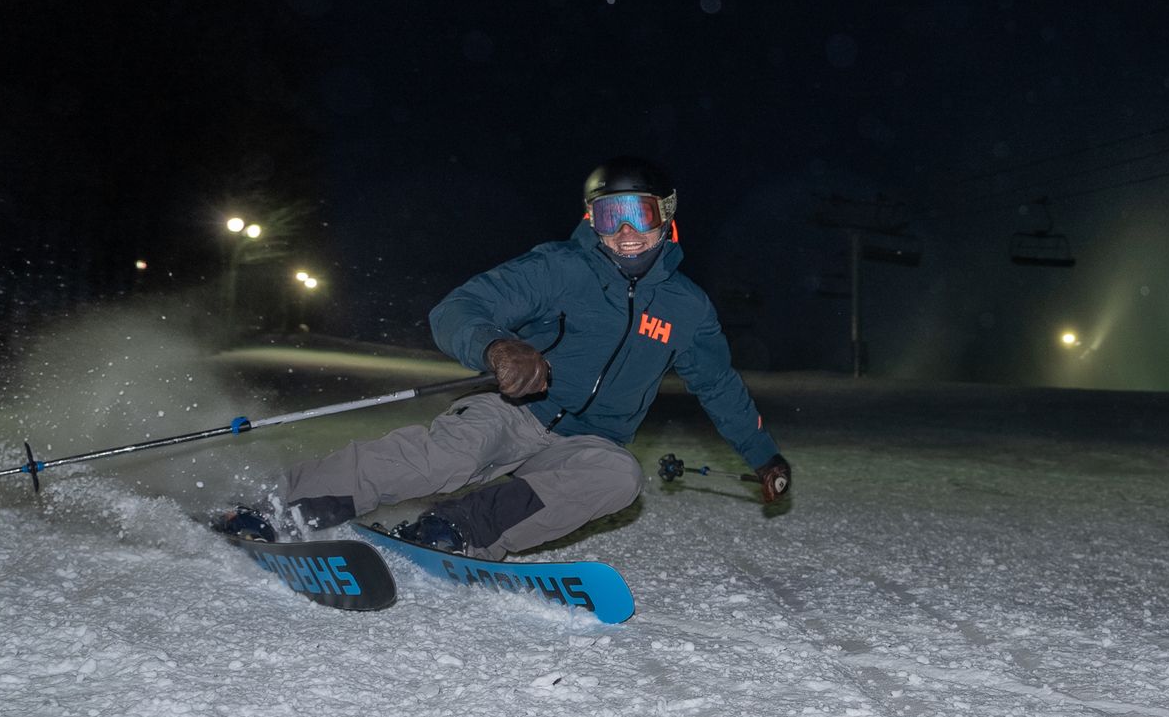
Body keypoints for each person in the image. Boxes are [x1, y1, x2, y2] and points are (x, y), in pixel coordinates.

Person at [218, 157, 790, 557]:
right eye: (609, 217)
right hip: (513, 411)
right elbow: (458, 308)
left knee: (619, 476)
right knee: (454, 452)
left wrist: (763, 457)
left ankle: (458, 530)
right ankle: (280, 506)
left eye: (638, 214)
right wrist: (498, 345)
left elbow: (717, 385)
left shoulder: (687, 309)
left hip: (590, 442)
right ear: (592, 220)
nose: (626, 234)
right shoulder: (561, 267)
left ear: (666, 214)